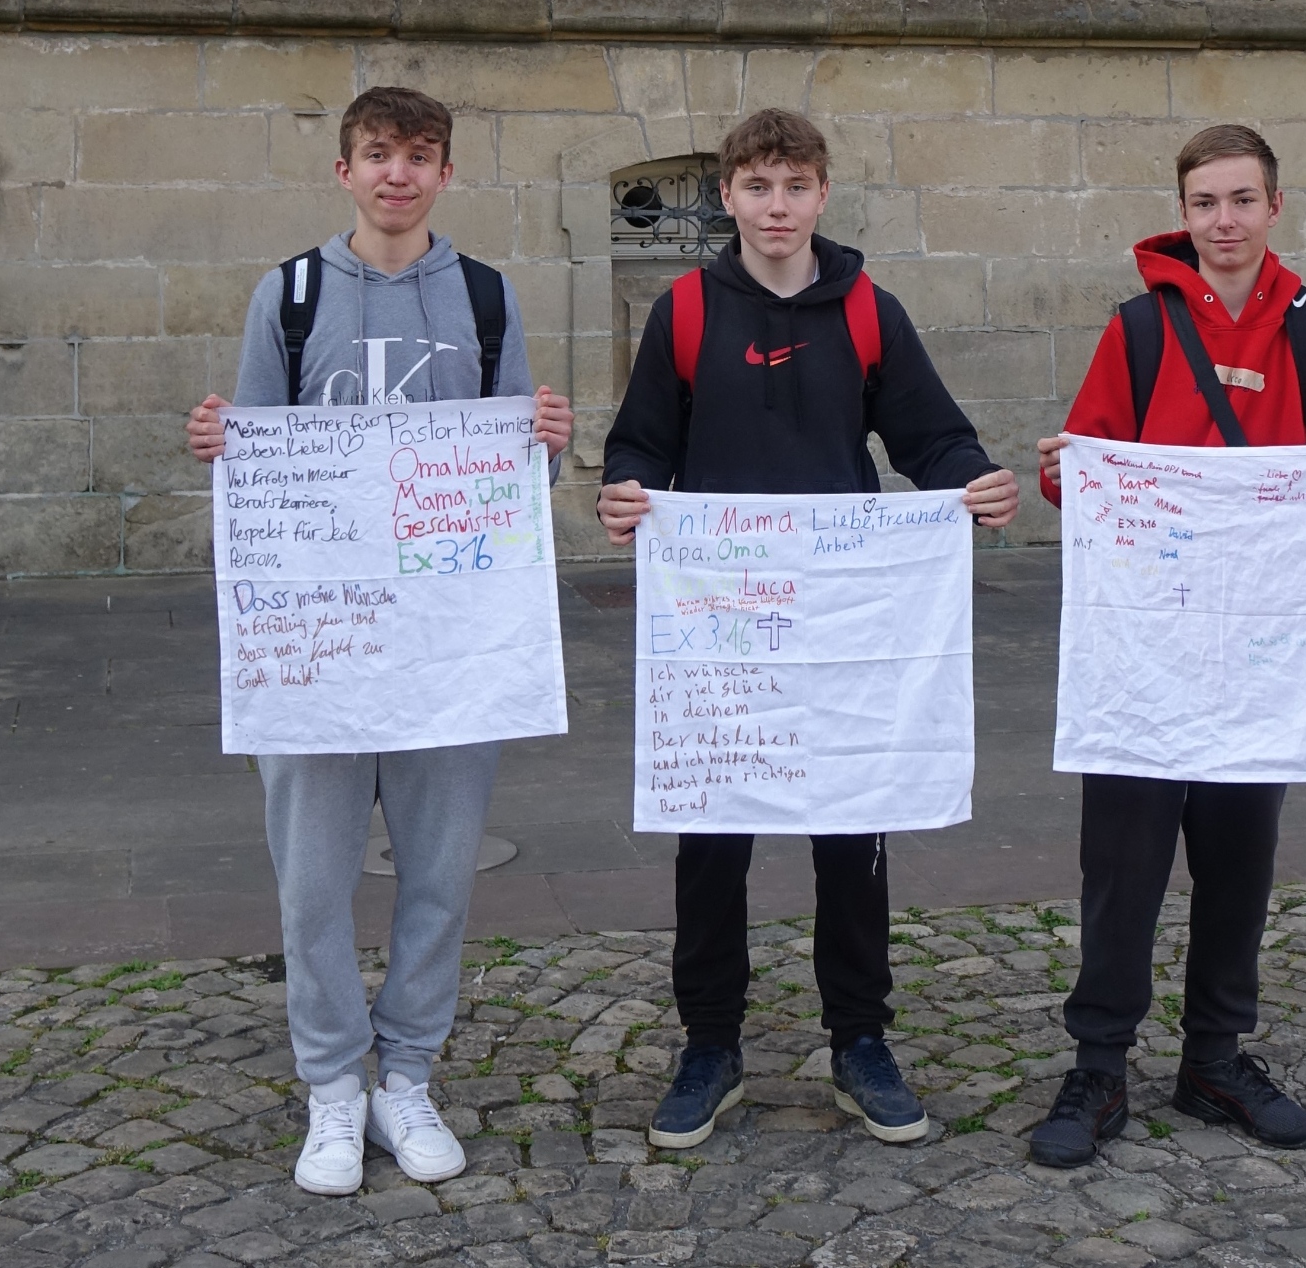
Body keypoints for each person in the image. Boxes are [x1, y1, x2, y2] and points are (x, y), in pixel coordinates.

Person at [599, 105, 1021, 1153]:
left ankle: (860, 1038)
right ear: (728, 197)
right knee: (713, 835)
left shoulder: (868, 309)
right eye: (756, 187)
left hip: (843, 615)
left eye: (794, 187)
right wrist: (625, 491)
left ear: (822, 194)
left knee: (852, 830)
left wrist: (973, 483)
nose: (775, 206)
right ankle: (710, 1043)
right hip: (722, 618)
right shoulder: (687, 311)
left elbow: (932, 433)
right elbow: (640, 441)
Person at [186, 84, 574, 1198]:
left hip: (451, 646)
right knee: (311, 884)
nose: (397, 174)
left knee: (438, 877)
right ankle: (331, 1086)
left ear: (446, 172)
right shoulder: (292, 294)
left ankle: (407, 1072)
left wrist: (543, 443)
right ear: (344, 172)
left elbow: (515, 489)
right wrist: (220, 440)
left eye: (418, 155)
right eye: (376, 155)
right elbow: (250, 460)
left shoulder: (488, 299)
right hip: (320, 645)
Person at [1027, 120, 1306, 1171]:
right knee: (1124, 861)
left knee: (1238, 860)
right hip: (1148, 647)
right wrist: (1067, 470)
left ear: (1274, 207)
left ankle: (1215, 1057)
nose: (1223, 222)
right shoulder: (1140, 331)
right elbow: (1081, 470)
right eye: (1204, 203)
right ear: (1184, 212)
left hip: (1264, 651)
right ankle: (1100, 1061)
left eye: (1241, 200)